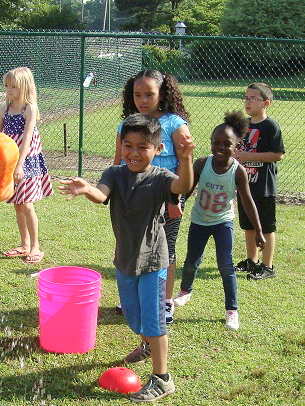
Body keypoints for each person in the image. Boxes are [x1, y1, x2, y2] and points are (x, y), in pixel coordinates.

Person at [59, 113, 195, 402]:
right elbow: (101, 194)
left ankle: (162, 379)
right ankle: (147, 344)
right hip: (125, 260)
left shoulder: (161, 178)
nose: (133, 153)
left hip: (153, 262)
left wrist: (185, 159)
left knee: (155, 322)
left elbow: (182, 187)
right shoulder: (115, 174)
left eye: (142, 147)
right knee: (135, 320)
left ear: (158, 150)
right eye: (128, 146)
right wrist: (87, 189)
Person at [173, 111, 265, 330]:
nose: (220, 147)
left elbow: (248, 202)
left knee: (226, 265)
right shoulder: (202, 164)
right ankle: (185, 291)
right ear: (211, 143)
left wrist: (259, 231)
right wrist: (177, 204)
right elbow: (186, 190)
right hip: (199, 221)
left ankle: (231, 310)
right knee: (191, 262)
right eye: (216, 142)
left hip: (223, 222)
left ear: (237, 145)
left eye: (227, 143)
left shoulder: (238, 172)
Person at [113, 70, 191, 324]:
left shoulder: (174, 124)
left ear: (162, 94)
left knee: (164, 249)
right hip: (135, 200)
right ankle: (134, 297)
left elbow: (184, 167)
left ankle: (164, 302)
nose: (142, 100)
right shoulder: (128, 125)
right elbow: (118, 164)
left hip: (166, 199)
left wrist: (174, 200)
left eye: (149, 94)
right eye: (137, 95)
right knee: (133, 246)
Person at [0, 66, 53, 264]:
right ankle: (24, 244)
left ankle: (35, 246)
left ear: (24, 87)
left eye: (13, 86)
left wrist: (20, 165)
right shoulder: (5, 109)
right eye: (6, 86)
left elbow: (27, 138)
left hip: (26, 161)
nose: (8, 90)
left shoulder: (30, 109)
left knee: (27, 204)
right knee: (17, 204)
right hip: (11, 162)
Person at [233, 82, 284, 280]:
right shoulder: (243, 125)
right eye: (246, 98)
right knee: (248, 225)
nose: (248, 102)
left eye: (253, 98)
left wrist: (248, 157)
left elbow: (277, 155)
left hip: (263, 186)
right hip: (246, 185)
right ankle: (251, 261)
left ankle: (267, 265)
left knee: (266, 226)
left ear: (266, 103)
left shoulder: (270, 126)